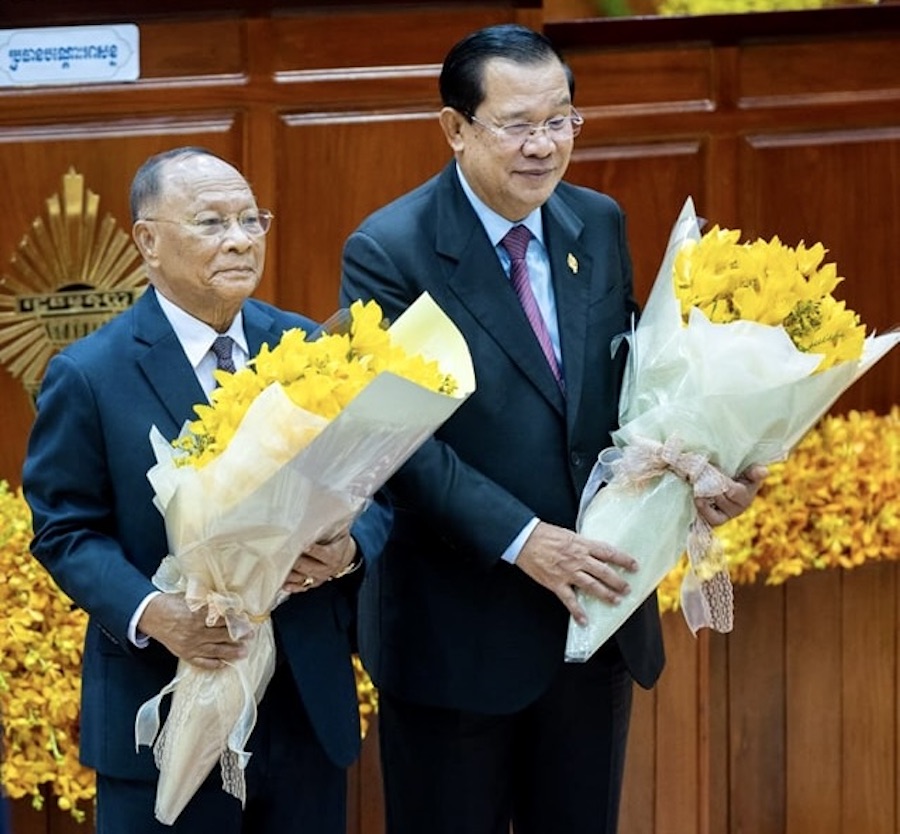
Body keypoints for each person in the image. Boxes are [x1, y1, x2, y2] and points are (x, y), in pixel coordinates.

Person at [340, 24, 766, 834]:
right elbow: (396, 440)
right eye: (517, 124)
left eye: (561, 120)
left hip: (595, 618)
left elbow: (634, 385)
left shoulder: (595, 223)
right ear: (456, 128)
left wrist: (709, 464)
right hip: (457, 631)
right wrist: (521, 536)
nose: (544, 146)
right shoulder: (390, 250)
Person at [22, 146, 391, 834]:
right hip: (167, 698)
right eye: (213, 222)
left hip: (304, 704)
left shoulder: (310, 346)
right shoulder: (90, 373)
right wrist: (153, 611)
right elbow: (65, 529)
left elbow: (380, 491)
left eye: (252, 220)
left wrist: (348, 550)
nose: (240, 239)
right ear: (148, 241)